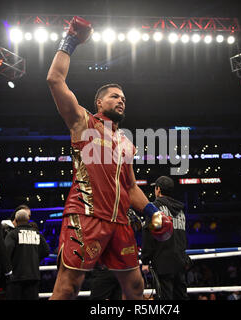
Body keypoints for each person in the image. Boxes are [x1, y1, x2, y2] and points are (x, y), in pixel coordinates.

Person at [46, 16, 173, 300]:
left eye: (124, 98)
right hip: (86, 214)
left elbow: (129, 188)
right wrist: (71, 40)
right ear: (99, 103)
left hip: (119, 222)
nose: (121, 100)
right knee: (69, 286)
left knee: (136, 286)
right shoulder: (83, 121)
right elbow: (54, 80)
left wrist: (153, 212)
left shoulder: (126, 143)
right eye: (114, 96)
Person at [141, 176, 189, 300]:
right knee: (181, 297)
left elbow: (149, 236)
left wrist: (145, 260)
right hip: (180, 261)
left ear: (158, 189)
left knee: (165, 299)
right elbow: (182, 236)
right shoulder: (180, 210)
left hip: (163, 263)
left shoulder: (155, 209)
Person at [5, 209, 50, 300]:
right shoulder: (37, 233)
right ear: (28, 220)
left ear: (16, 221)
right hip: (33, 276)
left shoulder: (13, 234)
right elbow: (46, 251)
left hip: (16, 277)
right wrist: (35, 258)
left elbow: (6, 252)